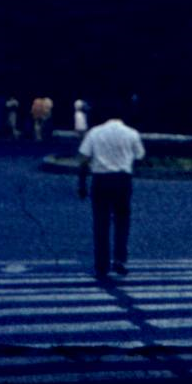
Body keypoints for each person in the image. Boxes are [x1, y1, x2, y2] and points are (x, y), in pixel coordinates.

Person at [76, 100, 145, 278]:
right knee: (122, 220)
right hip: (122, 180)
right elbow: (140, 156)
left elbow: (84, 159)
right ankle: (120, 259)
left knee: (101, 222)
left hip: (100, 180)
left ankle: (102, 264)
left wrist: (82, 184)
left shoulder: (94, 133)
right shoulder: (131, 133)